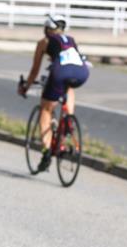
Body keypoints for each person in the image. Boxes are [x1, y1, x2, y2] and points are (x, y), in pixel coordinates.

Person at [18, 14, 89, 171]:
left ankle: (46, 151)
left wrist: (26, 87)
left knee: (45, 108)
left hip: (60, 73)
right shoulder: (70, 40)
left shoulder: (44, 42)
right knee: (68, 86)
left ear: (47, 29)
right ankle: (69, 120)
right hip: (82, 73)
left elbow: (35, 71)